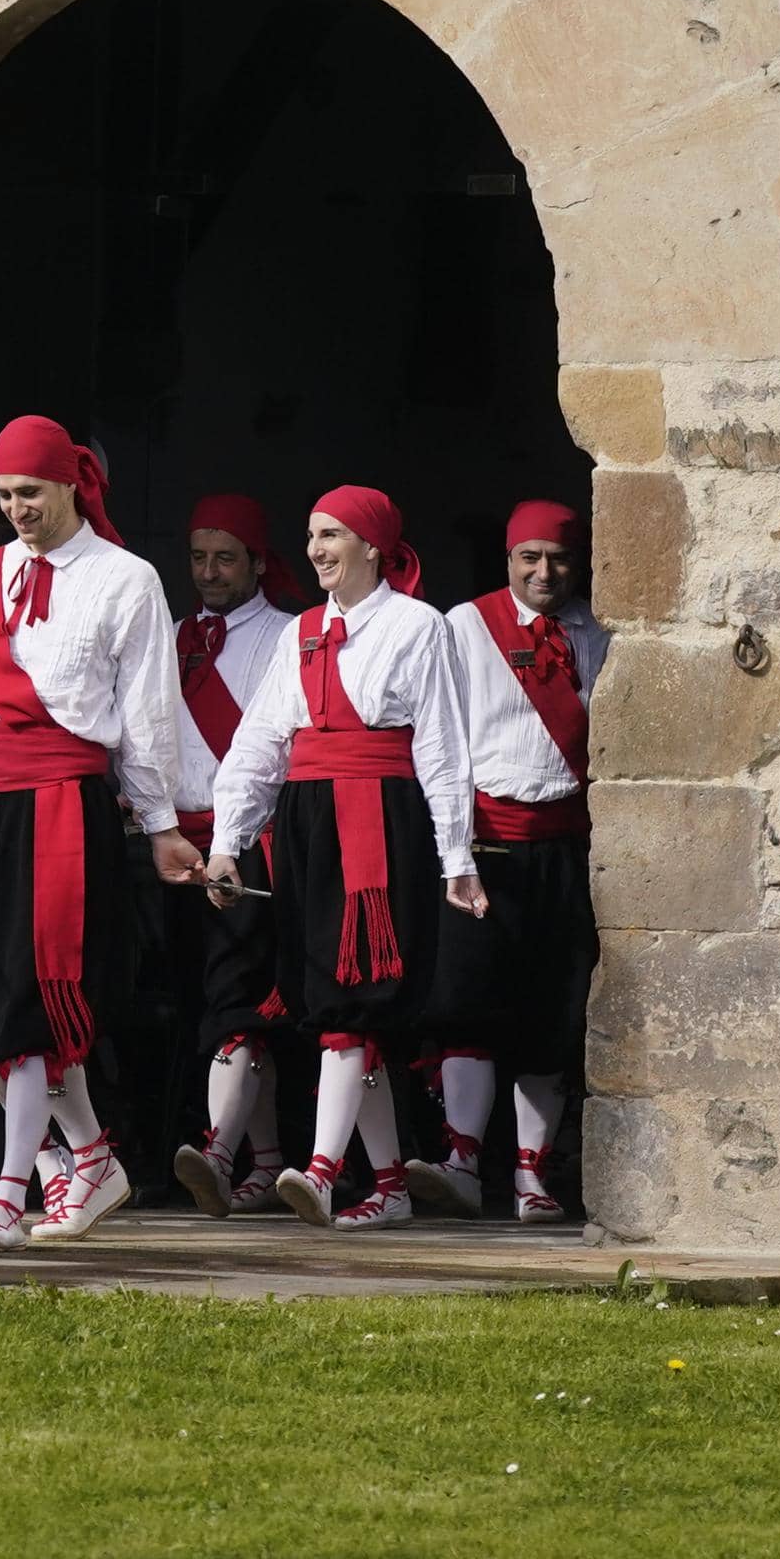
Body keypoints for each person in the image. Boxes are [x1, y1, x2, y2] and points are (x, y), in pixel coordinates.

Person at [0, 417, 192, 1250]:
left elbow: (149, 713)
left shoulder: (126, 580)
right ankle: (89, 1156)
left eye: (32, 493)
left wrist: (160, 822)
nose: (18, 509)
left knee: (34, 994)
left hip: (64, 802)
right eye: (6, 496)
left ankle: (10, 1190)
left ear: (72, 486)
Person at [204, 487, 485, 1231]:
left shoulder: (417, 626)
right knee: (329, 995)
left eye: (332, 535)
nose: (318, 550)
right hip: (307, 821)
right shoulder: (300, 632)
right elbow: (260, 743)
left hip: (377, 818)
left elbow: (443, 749)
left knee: (352, 999)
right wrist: (228, 842)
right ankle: (388, 1184)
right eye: (311, 536)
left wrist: (456, 857)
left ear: (372, 546)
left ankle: (324, 1172)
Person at [410, 501, 608, 1224]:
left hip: (563, 848)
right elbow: (443, 746)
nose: (544, 571)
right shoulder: (466, 626)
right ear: (508, 560)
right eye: (529, 557)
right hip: (485, 845)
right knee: (468, 1008)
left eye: (557, 558)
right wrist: (454, 854)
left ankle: (531, 1177)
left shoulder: (600, 632)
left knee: (548, 1017)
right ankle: (461, 1161)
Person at [161, 495, 302, 1219]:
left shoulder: (285, 636)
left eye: (225, 557)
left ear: (255, 561)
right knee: (198, 1004)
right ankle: (266, 1163)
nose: (209, 572)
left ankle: (218, 1150)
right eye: (197, 556)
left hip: (244, 845)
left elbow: (270, 749)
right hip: (167, 845)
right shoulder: (170, 635)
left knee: (236, 1004)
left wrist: (231, 839)